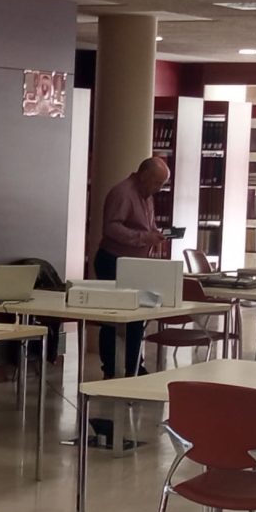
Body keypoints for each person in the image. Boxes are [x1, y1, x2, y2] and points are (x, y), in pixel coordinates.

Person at [94, 156, 170, 379]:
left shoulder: (147, 196)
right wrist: (143, 238)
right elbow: (111, 228)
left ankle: (134, 366)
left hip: (134, 264)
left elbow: (147, 225)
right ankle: (110, 369)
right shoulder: (122, 193)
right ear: (144, 175)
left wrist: (155, 234)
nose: (158, 189)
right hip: (113, 261)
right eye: (157, 182)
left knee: (138, 316)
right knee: (112, 317)